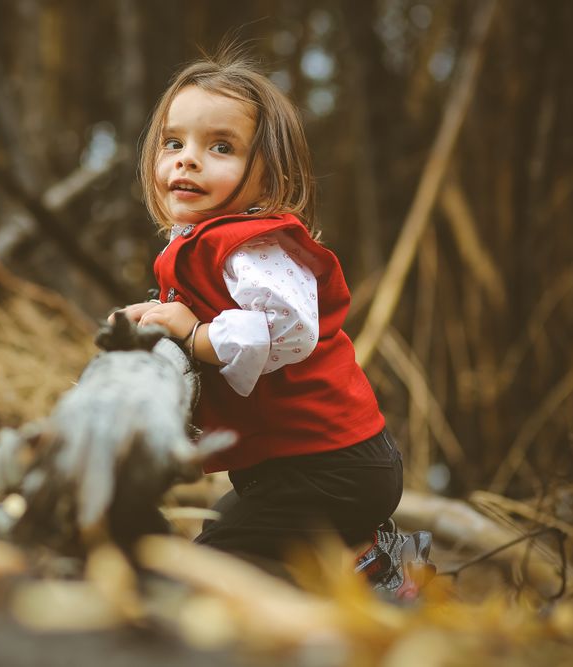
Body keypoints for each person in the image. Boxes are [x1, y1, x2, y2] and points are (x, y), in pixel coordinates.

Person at [111, 45, 430, 597]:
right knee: (234, 529)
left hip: (333, 465)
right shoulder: (205, 241)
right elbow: (207, 306)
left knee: (216, 562)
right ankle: (371, 564)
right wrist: (159, 316)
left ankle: (386, 579)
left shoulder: (253, 246)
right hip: (303, 464)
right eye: (173, 142)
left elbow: (287, 328)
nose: (187, 159)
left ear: (270, 175)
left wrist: (195, 334)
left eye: (220, 147)